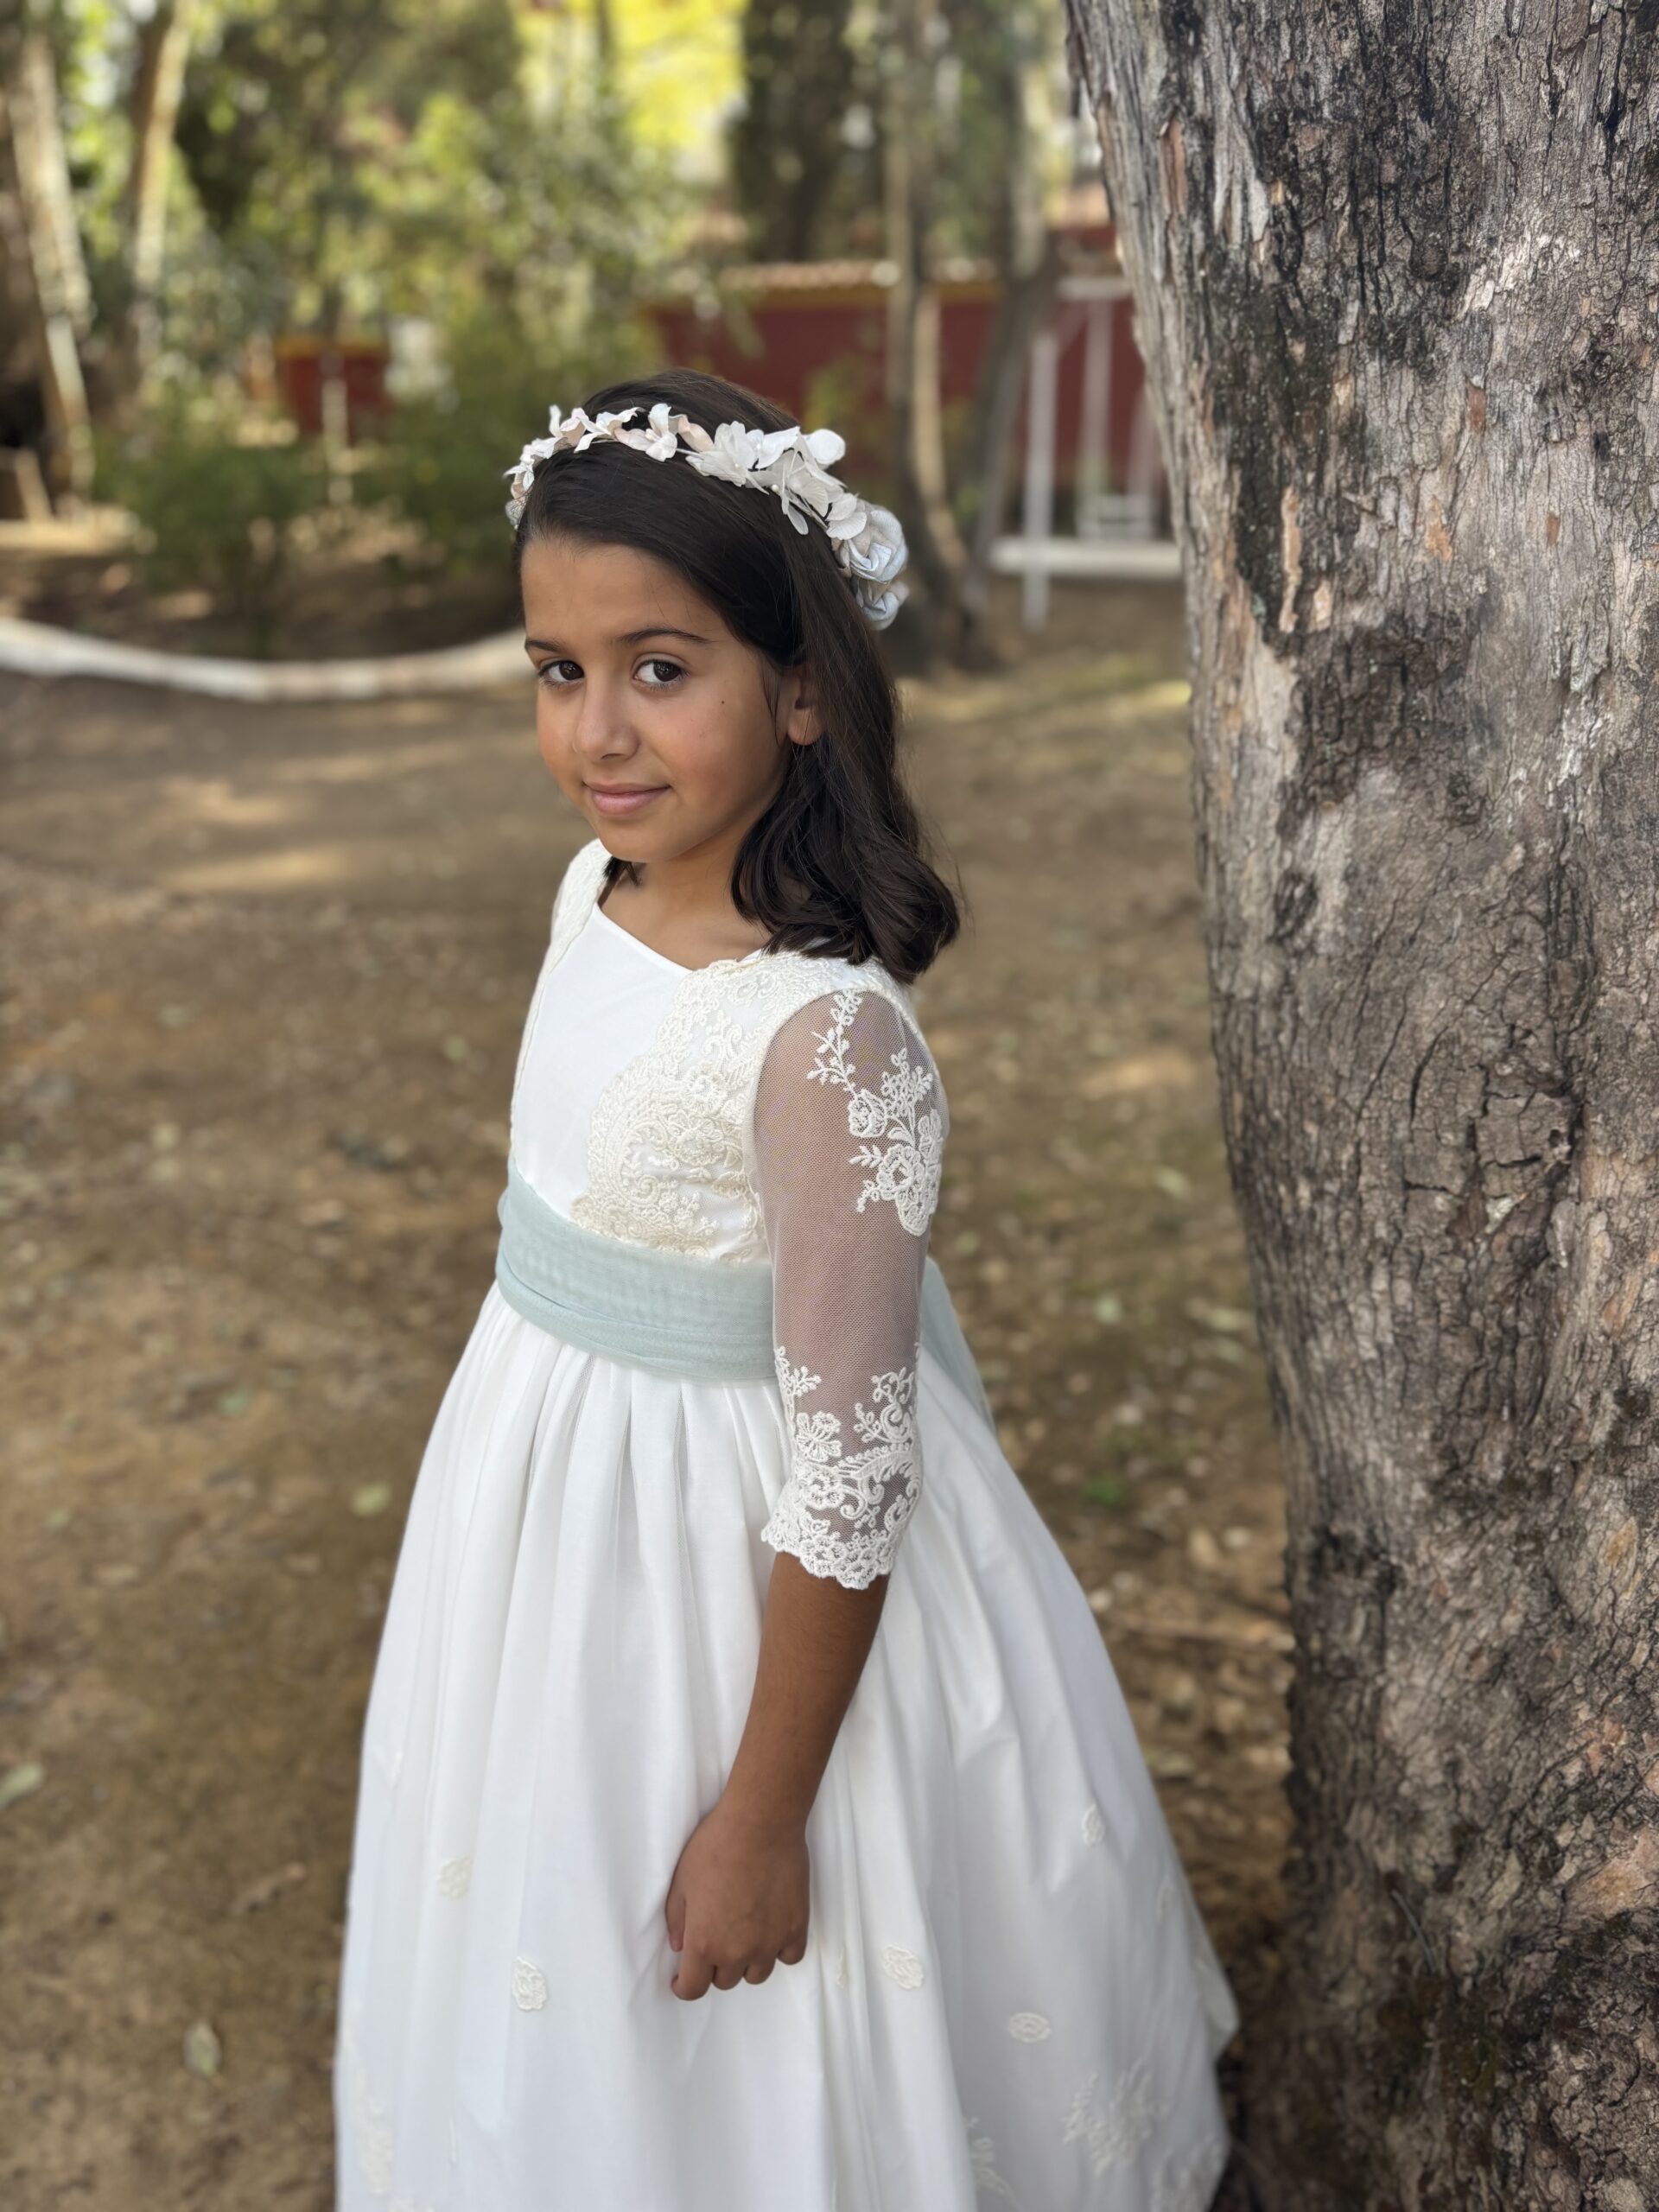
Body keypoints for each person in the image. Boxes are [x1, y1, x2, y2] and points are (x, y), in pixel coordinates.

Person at [332, 365, 1237, 2212]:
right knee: (542, 1903)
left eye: (662, 668)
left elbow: (849, 1473)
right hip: (543, 1523)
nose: (598, 729)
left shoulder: (824, 1041)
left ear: (803, 683)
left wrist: (761, 1816)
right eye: (557, 669)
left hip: (736, 1581)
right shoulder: (599, 887)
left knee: (730, 1980)